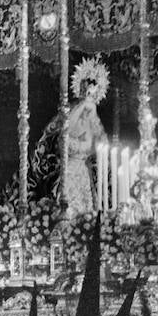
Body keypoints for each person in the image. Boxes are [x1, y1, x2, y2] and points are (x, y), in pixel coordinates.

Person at [60, 57, 108, 215]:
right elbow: (65, 135)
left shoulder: (92, 117)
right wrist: (84, 103)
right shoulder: (76, 112)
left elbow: (100, 139)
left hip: (83, 169)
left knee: (85, 207)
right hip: (69, 169)